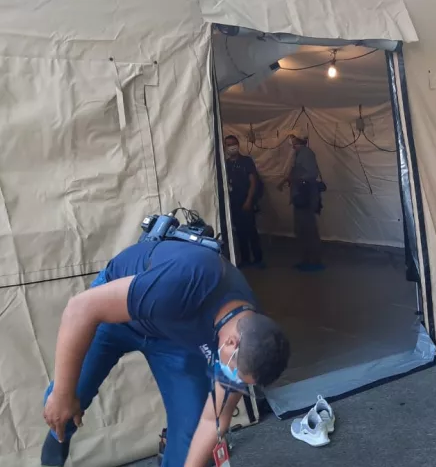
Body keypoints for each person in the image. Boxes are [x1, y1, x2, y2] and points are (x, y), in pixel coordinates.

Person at [40, 238, 290, 467]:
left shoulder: (249, 344)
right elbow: (80, 308)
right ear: (232, 343)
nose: (229, 379)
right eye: (233, 373)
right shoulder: (187, 279)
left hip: (174, 340)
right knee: (66, 398)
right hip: (116, 315)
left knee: (190, 433)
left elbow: (212, 420)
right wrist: (62, 395)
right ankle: (55, 444)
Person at [278, 129, 324, 271]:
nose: (291, 141)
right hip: (300, 196)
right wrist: (286, 180)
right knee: (301, 229)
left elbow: (310, 175)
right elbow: (296, 172)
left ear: (298, 139)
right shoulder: (298, 154)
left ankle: (313, 261)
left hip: (305, 197)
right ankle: (306, 259)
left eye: (293, 138)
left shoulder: (306, 154)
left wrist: (295, 180)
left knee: (308, 229)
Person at [224, 135, 264, 267]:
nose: (231, 147)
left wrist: (249, 200)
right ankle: (245, 259)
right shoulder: (226, 164)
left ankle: (258, 259)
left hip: (246, 200)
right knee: (240, 232)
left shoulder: (246, 161)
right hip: (233, 202)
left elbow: (253, 182)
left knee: (251, 230)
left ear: (238, 144)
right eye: (228, 144)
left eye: (233, 144)